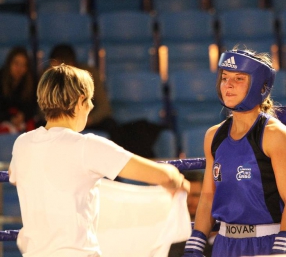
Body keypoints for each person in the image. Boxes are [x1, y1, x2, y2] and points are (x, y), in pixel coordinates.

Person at [8, 64, 190, 256]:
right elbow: (163, 175)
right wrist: (178, 180)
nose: (92, 106)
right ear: (80, 101)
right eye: (90, 100)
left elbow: (16, 175)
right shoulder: (87, 146)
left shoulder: (22, 143)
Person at [183, 47, 286, 257]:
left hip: (266, 241)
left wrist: (283, 250)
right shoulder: (214, 136)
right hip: (224, 242)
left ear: (259, 84)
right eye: (225, 77)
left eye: (239, 78)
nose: (228, 85)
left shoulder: (275, 135)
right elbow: (209, 195)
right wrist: (196, 243)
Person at [48, 44, 121, 143]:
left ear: (71, 64)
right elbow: (42, 108)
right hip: (59, 122)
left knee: (110, 124)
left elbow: (104, 107)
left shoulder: (89, 75)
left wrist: (89, 119)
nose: (55, 72)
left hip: (87, 119)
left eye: (58, 69)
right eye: (53, 68)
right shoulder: (48, 77)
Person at [169, 170, 214, 257]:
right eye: (184, 195)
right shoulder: (168, 232)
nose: (189, 201)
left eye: (195, 195)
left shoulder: (219, 237)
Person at [0, 46, 38, 133]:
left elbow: (33, 106)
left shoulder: (31, 81)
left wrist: (23, 115)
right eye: (16, 64)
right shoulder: (1, 78)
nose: (19, 69)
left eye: (23, 65)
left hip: (24, 122)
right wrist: (10, 117)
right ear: (9, 63)